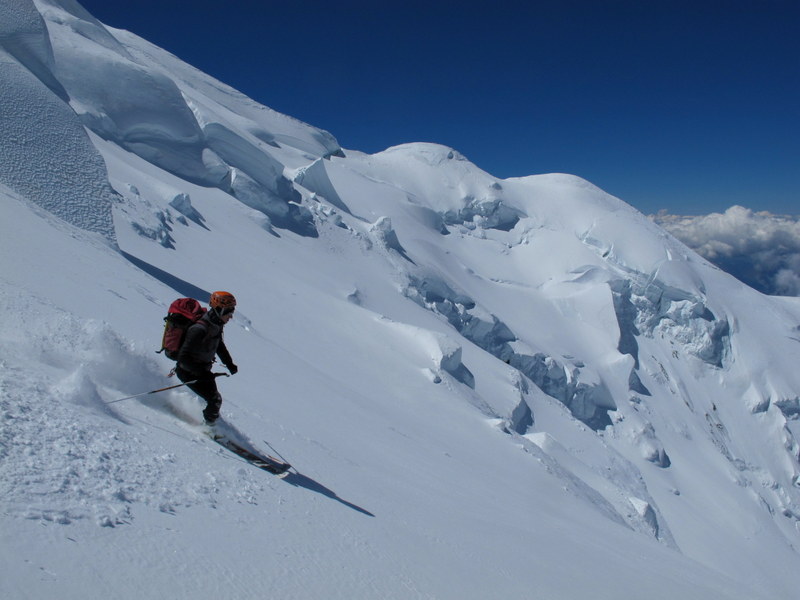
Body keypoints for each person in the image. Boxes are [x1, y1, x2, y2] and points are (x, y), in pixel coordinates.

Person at [175, 291, 239, 424]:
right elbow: (183, 358)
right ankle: (209, 427)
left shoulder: (215, 325)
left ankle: (211, 422)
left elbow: (218, 345)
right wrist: (200, 373)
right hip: (188, 372)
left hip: (203, 371)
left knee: (215, 400)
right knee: (214, 400)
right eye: (229, 313)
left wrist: (229, 363)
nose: (230, 317)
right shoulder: (199, 329)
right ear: (220, 310)